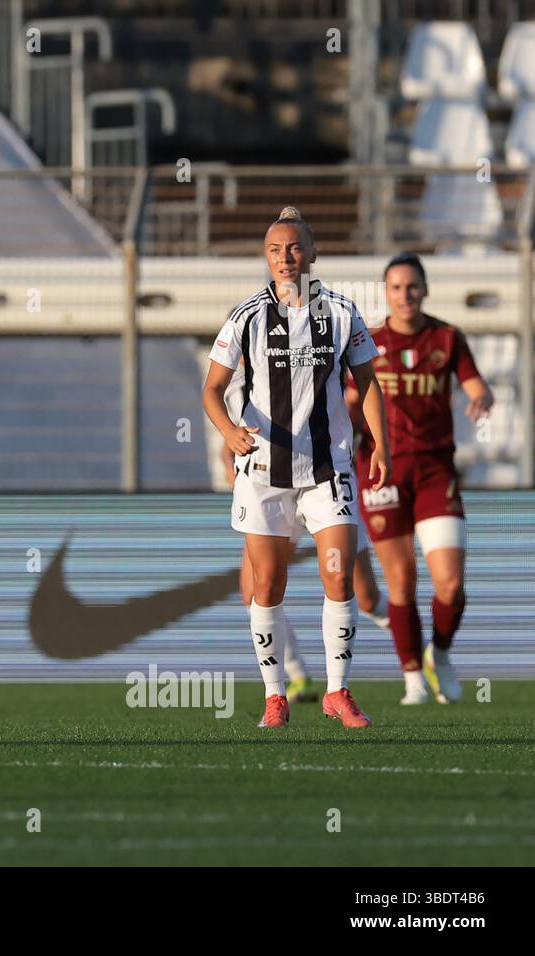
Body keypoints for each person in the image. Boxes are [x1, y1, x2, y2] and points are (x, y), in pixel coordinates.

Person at [202, 206, 389, 730]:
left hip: (328, 470)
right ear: (266, 257)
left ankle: (338, 692)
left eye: (294, 248)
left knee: (338, 576)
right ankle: (274, 696)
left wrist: (381, 442)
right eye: (274, 250)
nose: (285, 259)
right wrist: (227, 430)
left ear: (312, 252)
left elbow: (368, 384)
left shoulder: (341, 311)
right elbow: (212, 390)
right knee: (268, 583)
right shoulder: (246, 316)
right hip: (263, 470)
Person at [347, 252, 493, 705]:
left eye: (413, 286)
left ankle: (440, 655)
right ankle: (412, 676)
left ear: (425, 290)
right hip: (381, 470)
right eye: (396, 287)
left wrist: (482, 396)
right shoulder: (368, 341)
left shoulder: (447, 338)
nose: (405, 295)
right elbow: (351, 399)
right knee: (402, 580)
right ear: (385, 293)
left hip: (434, 470)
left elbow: (475, 384)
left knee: (450, 582)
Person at [220, 363, 390, 705]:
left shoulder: (324, 361)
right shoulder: (238, 382)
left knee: (364, 594)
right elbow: (231, 439)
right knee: (254, 588)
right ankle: (295, 676)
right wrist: (233, 471)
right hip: (271, 486)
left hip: (323, 483)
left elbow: (358, 415)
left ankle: (417, 647)